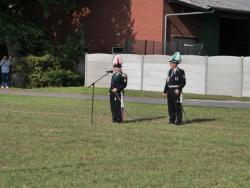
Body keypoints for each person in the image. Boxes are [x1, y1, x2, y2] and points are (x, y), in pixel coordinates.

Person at [162, 52, 186, 125]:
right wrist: (165, 91)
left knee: (177, 106)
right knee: (170, 106)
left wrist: (178, 89)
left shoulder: (181, 71)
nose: (170, 64)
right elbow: (167, 82)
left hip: (176, 91)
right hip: (170, 91)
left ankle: (178, 121)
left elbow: (183, 82)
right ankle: (172, 120)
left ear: (175, 63)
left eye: (171, 63)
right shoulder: (170, 71)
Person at [109, 55, 128, 123]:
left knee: (119, 106)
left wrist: (117, 89)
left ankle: (120, 119)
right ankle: (114, 118)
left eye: (117, 67)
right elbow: (111, 84)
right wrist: (109, 91)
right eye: (115, 67)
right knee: (113, 106)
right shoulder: (113, 75)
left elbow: (124, 84)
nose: (116, 68)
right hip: (112, 93)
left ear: (120, 68)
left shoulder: (123, 75)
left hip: (119, 93)